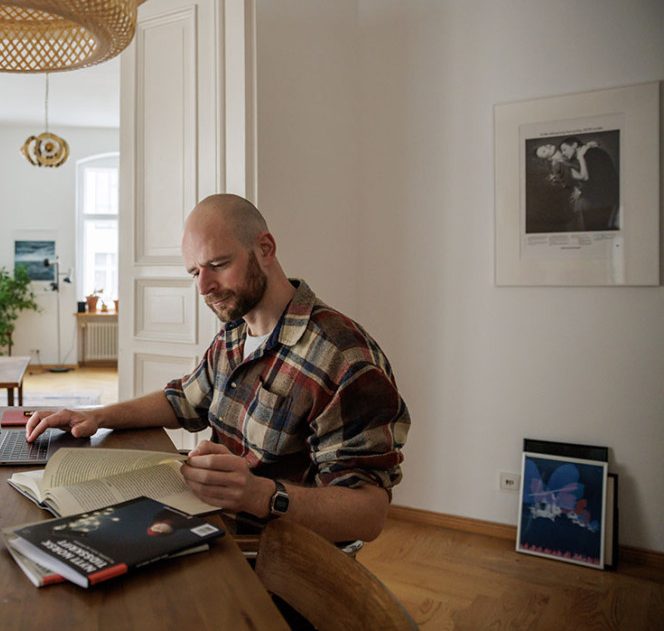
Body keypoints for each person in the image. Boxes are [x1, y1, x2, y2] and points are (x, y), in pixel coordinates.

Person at [27, 194, 410, 543]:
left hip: (279, 559)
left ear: (265, 248)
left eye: (218, 265)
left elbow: (368, 515)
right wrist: (94, 416)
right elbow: (182, 401)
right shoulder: (235, 334)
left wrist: (259, 494)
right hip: (210, 526)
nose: (204, 287)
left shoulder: (343, 356)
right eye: (195, 272)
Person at [558, 137, 619, 231]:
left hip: (602, 202)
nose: (563, 153)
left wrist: (581, 191)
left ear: (574, 145)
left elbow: (598, 180)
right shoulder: (588, 154)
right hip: (603, 201)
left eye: (564, 149)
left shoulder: (591, 154)